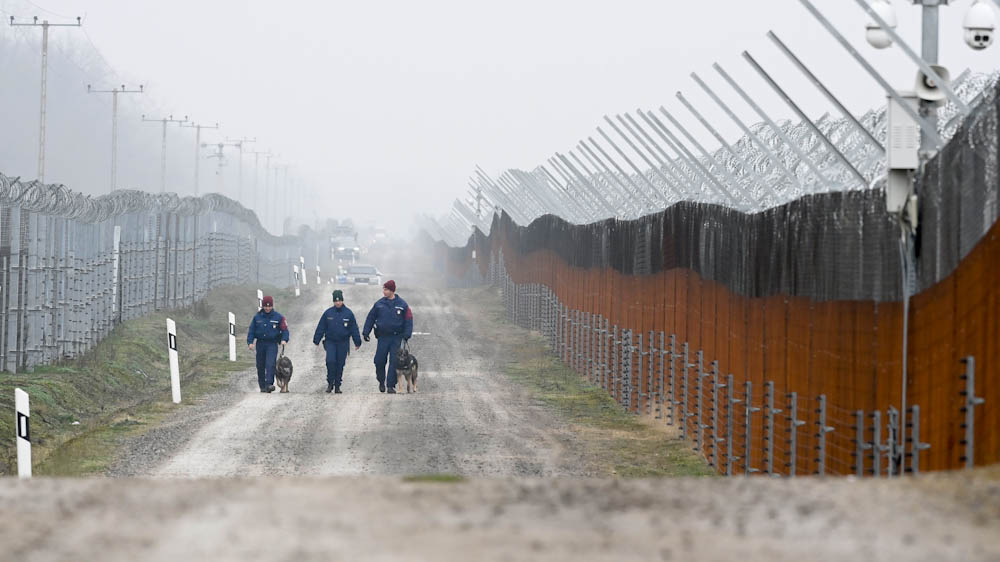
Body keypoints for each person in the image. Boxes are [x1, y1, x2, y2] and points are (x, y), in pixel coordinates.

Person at [362, 279, 413, 394]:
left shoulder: (403, 305)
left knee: (394, 362)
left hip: (397, 337)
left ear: (392, 290)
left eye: (386, 289)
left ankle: (390, 385)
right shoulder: (379, 304)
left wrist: (407, 334)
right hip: (383, 337)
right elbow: (370, 318)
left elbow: (408, 320)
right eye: (383, 289)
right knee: (379, 361)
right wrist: (366, 332)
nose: (384, 291)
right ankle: (381, 381)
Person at [313, 289, 362, 394]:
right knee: (330, 362)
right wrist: (316, 339)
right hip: (330, 342)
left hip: (343, 343)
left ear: (343, 301)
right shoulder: (328, 313)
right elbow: (321, 326)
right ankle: (330, 383)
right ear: (333, 301)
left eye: (339, 301)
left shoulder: (348, 313)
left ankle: (337, 385)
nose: (338, 303)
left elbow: (354, 328)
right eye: (336, 301)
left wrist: (357, 342)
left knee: (340, 364)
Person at [247, 295, 289, 393]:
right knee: (260, 365)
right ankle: (262, 386)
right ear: (263, 306)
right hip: (260, 344)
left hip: (272, 344)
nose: (267, 308)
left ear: (272, 306)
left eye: (269, 306)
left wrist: (284, 339)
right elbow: (251, 330)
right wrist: (250, 342)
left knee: (270, 364)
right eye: (265, 306)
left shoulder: (279, 317)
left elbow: (285, 330)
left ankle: (269, 384)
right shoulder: (257, 317)